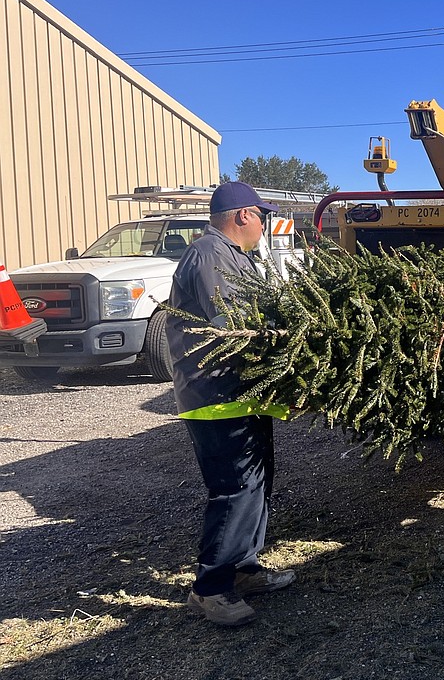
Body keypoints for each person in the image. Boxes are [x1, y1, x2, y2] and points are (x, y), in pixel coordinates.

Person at [167, 182, 296, 626]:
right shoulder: (210, 254)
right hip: (216, 396)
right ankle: (210, 589)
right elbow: (237, 325)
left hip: (243, 395)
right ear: (243, 215)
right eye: (262, 215)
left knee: (257, 483)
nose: (264, 224)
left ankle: (244, 569)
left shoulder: (234, 255)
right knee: (236, 488)